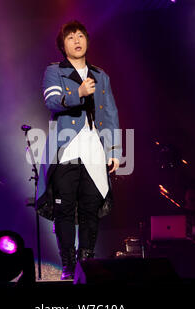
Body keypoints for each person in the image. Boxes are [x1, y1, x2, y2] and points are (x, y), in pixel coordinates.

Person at [35, 20, 122, 280]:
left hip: (95, 149)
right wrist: (79, 93)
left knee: (89, 208)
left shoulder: (100, 74)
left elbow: (111, 112)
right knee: (64, 208)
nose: (77, 40)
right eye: (71, 37)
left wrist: (114, 150)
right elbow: (52, 100)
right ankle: (68, 264)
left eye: (81, 35)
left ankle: (87, 262)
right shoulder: (54, 71)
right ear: (63, 45)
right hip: (66, 148)